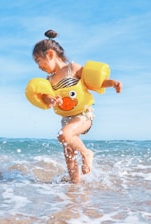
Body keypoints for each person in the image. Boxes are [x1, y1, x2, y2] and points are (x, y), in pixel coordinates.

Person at [32, 29, 122, 184]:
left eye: (39, 61)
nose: (38, 66)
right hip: (66, 118)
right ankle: (75, 186)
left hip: (83, 115)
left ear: (51, 54)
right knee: (68, 153)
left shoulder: (72, 69)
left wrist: (112, 83)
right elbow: (46, 96)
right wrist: (52, 100)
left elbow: (94, 82)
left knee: (64, 135)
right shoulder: (49, 79)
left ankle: (87, 153)